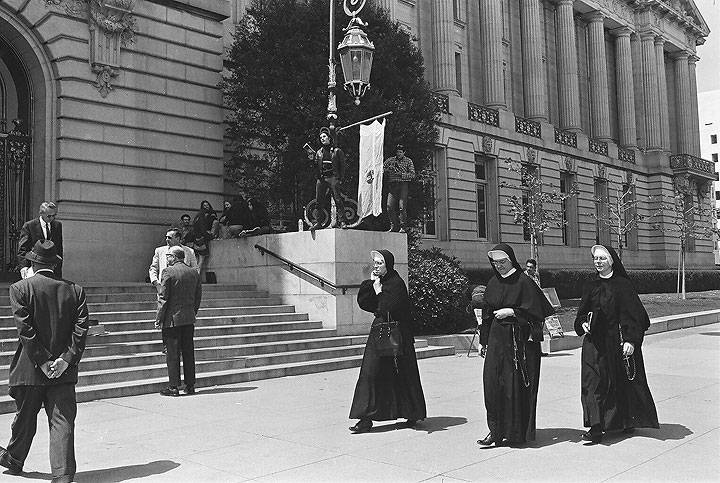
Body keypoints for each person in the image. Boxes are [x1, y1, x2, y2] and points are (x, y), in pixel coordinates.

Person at [0, 241, 89, 483]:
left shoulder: (19, 288)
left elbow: (25, 331)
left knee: (25, 419)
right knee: (62, 422)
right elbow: (81, 330)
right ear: (54, 263)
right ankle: (62, 476)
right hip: (63, 371)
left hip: (30, 369)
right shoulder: (76, 290)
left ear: (32, 263)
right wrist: (65, 360)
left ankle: (15, 460)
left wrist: (42, 361)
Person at [573, 245, 659, 444]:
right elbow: (581, 314)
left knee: (616, 383)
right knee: (591, 383)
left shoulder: (622, 285)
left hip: (615, 342)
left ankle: (622, 421)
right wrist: (583, 323)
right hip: (593, 342)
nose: (598, 262)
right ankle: (595, 427)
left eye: (603, 258)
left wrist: (631, 340)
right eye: (596, 258)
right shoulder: (590, 285)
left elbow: (634, 316)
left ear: (611, 261)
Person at [475, 243, 554, 447]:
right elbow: (486, 315)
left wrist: (512, 312)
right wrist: (483, 342)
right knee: (492, 384)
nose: (499, 266)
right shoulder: (493, 282)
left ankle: (516, 433)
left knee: (514, 386)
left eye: (503, 262)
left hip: (517, 342)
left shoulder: (524, 282)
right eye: (495, 262)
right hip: (495, 340)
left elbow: (537, 313)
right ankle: (495, 431)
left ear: (511, 260)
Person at [349, 249, 426, 433]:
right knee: (370, 373)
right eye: (375, 263)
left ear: (388, 265)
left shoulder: (396, 283)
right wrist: (370, 284)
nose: (376, 266)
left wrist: (378, 291)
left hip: (397, 335)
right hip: (379, 333)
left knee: (404, 374)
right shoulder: (379, 282)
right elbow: (365, 304)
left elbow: (386, 307)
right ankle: (365, 418)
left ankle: (412, 412)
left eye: (380, 263)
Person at [155, 246, 202, 396]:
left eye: (168, 256)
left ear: (174, 257)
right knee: (188, 352)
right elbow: (198, 296)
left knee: (173, 353)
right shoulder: (194, 272)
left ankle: (173, 386)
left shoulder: (168, 272)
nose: (167, 258)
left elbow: (163, 298)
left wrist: (159, 318)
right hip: (188, 318)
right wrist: (192, 312)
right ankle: (190, 385)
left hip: (172, 320)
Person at [17, 201, 64, 278]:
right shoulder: (29, 226)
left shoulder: (57, 225)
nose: (52, 218)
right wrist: (24, 267)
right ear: (41, 213)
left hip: (52, 269)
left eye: (54, 216)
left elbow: (59, 248)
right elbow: (22, 249)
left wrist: (58, 268)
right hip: (34, 268)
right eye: (49, 216)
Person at [313, 126, 346, 229]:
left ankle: (343, 221)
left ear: (329, 138)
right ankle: (318, 222)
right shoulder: (318, 152)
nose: (322, 138)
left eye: (324, 136)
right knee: (319, 201)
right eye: (321, 137)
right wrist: (311, 159)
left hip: (333, 177)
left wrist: (340, 178)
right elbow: (316, 167)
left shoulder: (337, 151)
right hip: (322, 178)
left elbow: (343, 166)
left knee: (338, 199)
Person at [384, 144, 415, 233]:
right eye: (397, 152)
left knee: (402, 207)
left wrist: (401, 174)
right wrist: (387, 170)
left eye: (400, 152)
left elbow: (413, 175)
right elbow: (382, 168)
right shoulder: (390, 160)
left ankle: (403, 226)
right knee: (389, 206)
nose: (398, 154)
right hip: (393, 185)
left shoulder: (408, 161)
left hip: (403, 185)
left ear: (404, 152)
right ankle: (394, 225)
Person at [192, 201, 219, 278]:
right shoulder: (202, 216)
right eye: (205, 205)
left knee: (197, 261)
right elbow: (203, 228)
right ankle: (196, 278)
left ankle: (195, 277)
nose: (206, 207)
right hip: (202, 240)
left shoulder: (197, 216)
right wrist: (209, 235)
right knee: (200, 261)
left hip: (197, 239)